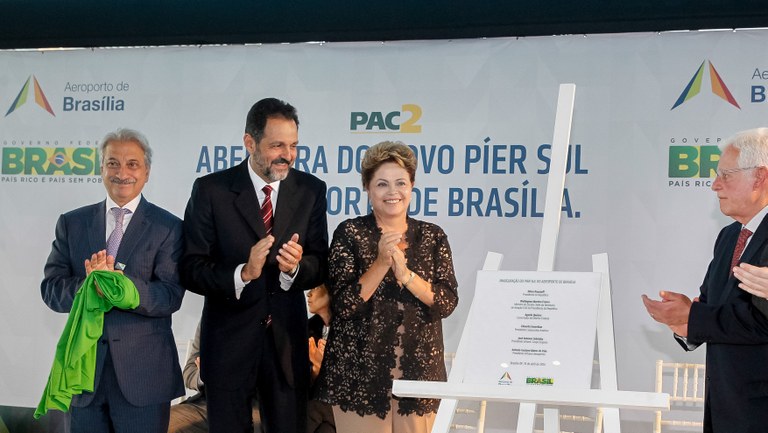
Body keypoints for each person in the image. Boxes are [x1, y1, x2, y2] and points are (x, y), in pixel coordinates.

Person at [180, 97, 329, 433]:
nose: (287, 155)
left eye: (293, 145)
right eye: (277, 145)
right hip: (228, 346)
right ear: (250, 142)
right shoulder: (211, 191)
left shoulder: (310, 190)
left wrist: (295, 269)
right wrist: (242, 274)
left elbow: (320, 263)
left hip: (287, 349)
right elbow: (190, 267)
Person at [40, 128, 185, 433]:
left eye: (132, 164)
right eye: (113, 163)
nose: (122, 173)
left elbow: (170, 296)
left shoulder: (169, 227)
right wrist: (88, 286)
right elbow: (51, 289)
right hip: (83, 377)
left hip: (142, 380)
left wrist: (124, 289)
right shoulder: (72, 223)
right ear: (101, 168)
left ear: (146, 171)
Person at [317, 141, 458, 433]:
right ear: (367, 188)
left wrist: (407, 276)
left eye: (400, 183)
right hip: (358, 380)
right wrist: (381, 263)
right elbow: (343, 305)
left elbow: (446, 302)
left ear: (412, 186)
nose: (392, 192)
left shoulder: (433, 237)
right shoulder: (350, 233)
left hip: (419, 379)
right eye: (382, 184)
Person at [642, 127, 768, 433]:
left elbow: (761, 320)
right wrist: (685, 318)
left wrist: (696, 317)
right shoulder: (729, 236)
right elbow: (712, 305)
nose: (715, 185)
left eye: (726, 175)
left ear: (760, 178)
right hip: (724, 407)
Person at [168, 321, 261, 433]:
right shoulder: (211, 316)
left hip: (257, 407)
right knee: (164, 424)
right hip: (208, 404)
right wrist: (205, 374)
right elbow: (189, 374)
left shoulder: (277, 316)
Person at [307, 285, 335, 433]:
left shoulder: (347, 327)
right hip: (321, 404)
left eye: (315, 288)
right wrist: (317, 368)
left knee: (312, 412)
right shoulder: (310, 328)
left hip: (340, 402)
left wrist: (323, 365)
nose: (309, 295)